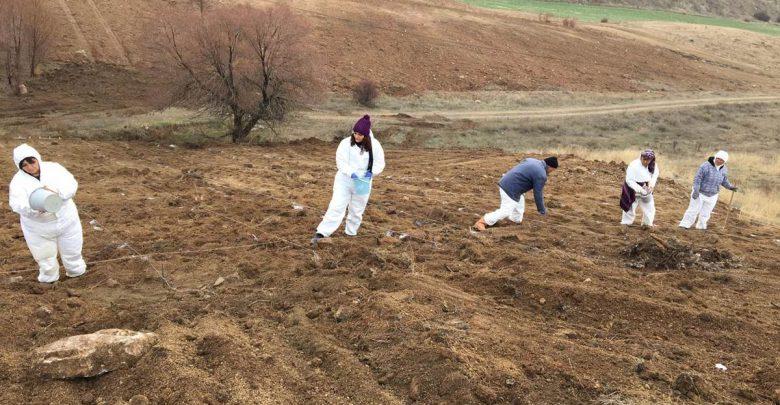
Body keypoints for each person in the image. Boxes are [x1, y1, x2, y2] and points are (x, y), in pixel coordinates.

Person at [8, 144, 86, 283]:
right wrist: (35, 209)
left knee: (72, 248)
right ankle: (49, 279)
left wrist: (59, 194)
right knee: (44, 256)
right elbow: (17, 204)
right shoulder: (18, 182)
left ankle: (77, 273)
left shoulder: (54, 168)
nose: (30, 167)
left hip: (66, 218)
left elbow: (71, 184)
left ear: (37, 158)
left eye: (31, 161)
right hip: (39, 226)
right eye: (24, 165)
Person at [313, 115, 385, 243]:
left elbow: (380, 163)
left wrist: (371, 173)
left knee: (357, 209)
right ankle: (322, 232)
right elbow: (340, 161)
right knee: (336, 206)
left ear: (366, 135)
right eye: (355, 133)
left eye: (360, 135)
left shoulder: (375, 146)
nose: (357, 136)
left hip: (363, 181)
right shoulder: (345, 143)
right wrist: (351, 173)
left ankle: (351, 232)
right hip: (345, 180)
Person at [474, 156, 558, 231]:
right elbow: (538, 193)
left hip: (508, 182)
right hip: (510, 188)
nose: (551, 172)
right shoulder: (541, 174)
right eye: (553, 170)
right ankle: (482, 222)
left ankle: (514, 221)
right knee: (505, 211)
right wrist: (542, 210)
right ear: (550, 167)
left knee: (519, 209)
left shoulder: (531, 160)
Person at [679, 150, 737, 230]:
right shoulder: (705, 166)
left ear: (724, 161)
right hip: (700, 193)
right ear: (715, 157)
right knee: (693, 210)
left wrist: (730, 187)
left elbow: (724, 180)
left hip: (713, 195)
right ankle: (684, 225)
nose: (719, 160)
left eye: (722, 160)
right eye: (718, 158)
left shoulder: (724, 169)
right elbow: (697, 179)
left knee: (706, 213)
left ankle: (701, 227)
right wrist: (696, 190)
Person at [620, 149, 659, 227]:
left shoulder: (653, 166)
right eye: (644, 159)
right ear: (641, 157)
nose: (645, 162)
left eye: (648, 160)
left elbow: (654, 176)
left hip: (646, 187)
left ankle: (647, 224)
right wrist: (640, 189)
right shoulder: (634, 165)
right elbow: (629, 180)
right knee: (630, 206)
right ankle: (626, 223)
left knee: (650, 207)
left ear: (651, 160)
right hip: (631, 188)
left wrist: (651, 186)